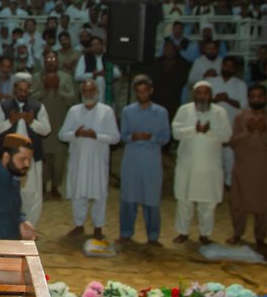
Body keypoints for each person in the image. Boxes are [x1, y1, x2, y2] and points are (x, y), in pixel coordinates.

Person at [170, 81, 232, 244]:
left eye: (206, 92)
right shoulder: (184, 110)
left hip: (210, 167)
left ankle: (205, 234)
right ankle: (182, 232)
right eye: (199, 92)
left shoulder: (220, 112)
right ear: (194, 94)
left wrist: (210, 131)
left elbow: (227, 136)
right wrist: (194, 130)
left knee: (208, 204)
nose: (202, 95)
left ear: (211, 95)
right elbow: (176, 133)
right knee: (184, 201)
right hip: (187, 165)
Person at [58, 78, 120, 238]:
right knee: (79, 193)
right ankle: (79, 225)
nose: (88, 94)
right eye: (85, 91)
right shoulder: (74, 111)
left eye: (91, 90)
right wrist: (75, 134)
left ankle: (98, 227)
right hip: (78, 161)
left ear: (97, 92)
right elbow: (62, 135)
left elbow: (115, 137)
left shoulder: (106, 111)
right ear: (81, 93)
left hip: (98, 162)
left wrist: (96, 135)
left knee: (99, 194)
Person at [0, 72, 51, 226]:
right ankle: (7, 225)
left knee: (32, 194)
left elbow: (46, 130)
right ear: (14, 90)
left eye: (26, 90)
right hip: (8, 158)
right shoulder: (3, 106)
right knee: (6, 191)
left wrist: (33, 123)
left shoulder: (38, 107)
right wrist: (10, 121)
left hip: (31, 157)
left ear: (30, 90)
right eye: (20, 90)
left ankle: (30, 227)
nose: (23, 93)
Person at [118, 75, 171, 246]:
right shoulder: (127, 111)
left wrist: (151, 137)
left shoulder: (161, 112)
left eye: (145, 91)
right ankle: (126, 233)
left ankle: (153, 236)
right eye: (138, 91)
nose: (142, 94)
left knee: (151, 199)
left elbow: (166, 137)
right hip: (132, 158)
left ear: (151, 91)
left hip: (151, 159)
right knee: (128, 198)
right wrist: (132, 136)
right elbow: (123, 135)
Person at [228, 83, 267, 246]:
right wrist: (248, 131)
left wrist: (264, 132)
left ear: (265, 98)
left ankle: (260, 237)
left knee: (263, 205)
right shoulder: (240, 117)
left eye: (260, 96)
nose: (257, 99)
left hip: (264, 169)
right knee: (238, 205)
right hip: (243, 167)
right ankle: (237, 233)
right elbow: (233, 143)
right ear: (248, 98)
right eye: (253, 96)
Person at [31, 50, 74, 199]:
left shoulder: (66, 78)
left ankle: (55, 186)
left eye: (53, 58)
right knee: (42, 157)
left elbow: (73, 99)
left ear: (58, 61)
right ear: (43, 61)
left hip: (60, 122)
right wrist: (44, 89)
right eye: (47, 59)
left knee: (58, 160)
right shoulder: (36, 77)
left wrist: (58, 89)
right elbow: (30, 98)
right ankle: (42, 186)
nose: (50, 61)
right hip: (42, 123)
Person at [206, 55, 247, 186]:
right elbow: (202, 102)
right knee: (213, 155)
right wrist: (215, 99)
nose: (227, 68)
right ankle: (214, 183)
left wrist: (227, 99)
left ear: (235, 69)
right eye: (225, 65)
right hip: (212, 123)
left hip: (232, 124)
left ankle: (229, 184)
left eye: (231, 66)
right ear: (221, 66)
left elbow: (244, 105)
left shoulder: (240, 85)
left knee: (230, 157)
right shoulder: (211, 82)